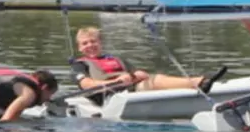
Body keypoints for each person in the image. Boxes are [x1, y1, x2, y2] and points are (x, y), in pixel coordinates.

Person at [68, 26, 226, 100]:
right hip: (107, 95)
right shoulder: (79, 65)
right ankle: (199, 82)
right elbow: (87, 85)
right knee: (155, 80)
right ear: (80, 47)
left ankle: (197, 83)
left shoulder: (115, 59)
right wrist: (117, 81)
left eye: (93, 41)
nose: (90, 46)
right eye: (85, 43)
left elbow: (139, 73)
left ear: (100, 42)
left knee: (154, 78)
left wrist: (136, 74)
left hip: (129, 89)